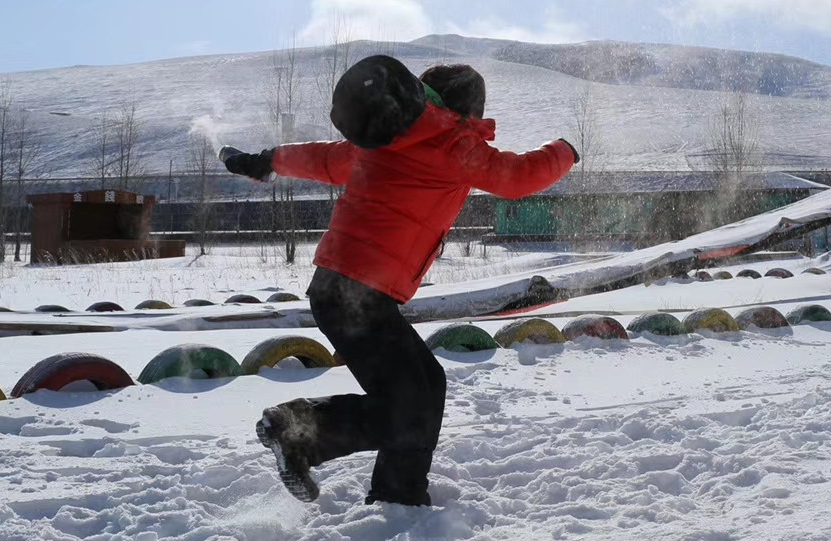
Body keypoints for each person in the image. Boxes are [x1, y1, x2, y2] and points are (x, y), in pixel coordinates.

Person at [221, 55, 577, 506]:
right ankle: (304, 437)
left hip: (338, 288)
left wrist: (266, 160)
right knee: (413, 403)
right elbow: (520, 177)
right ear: (471, 110)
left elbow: (323, 158)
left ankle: (388, 486)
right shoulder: (455, 143)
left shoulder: (385, 137)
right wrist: (566, 149)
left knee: (421, 390)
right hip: (359, 294)